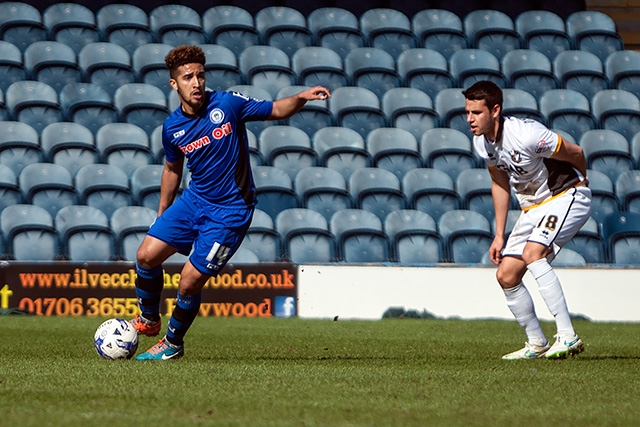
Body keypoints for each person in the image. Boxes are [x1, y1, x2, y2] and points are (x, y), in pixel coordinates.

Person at [130, 45, 331, 360]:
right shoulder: (172, 128)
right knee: (145, 256)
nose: (196, 83)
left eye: (200, 75)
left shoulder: (228, 104)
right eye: (187, 77)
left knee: (189, 281)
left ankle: (172, 345)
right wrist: (161, 215)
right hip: (194, 201)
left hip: (230, 212)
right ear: (174, 84)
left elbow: (277, 109)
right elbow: (172, 169)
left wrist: (301, 97)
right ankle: (149, 320)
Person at [463, 81, 591, 360]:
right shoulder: (482, 143)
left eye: (476, 112)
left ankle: (568, 336)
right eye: (468, 112)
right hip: (533, 208)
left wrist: (582, 181)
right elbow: (499, 183)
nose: (470, 119)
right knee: (506, 275)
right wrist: (499, 234)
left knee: (534, 254)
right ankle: (537, 343)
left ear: (495, 110)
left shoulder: (528, 134)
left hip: (566, 195)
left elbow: (576, 152)